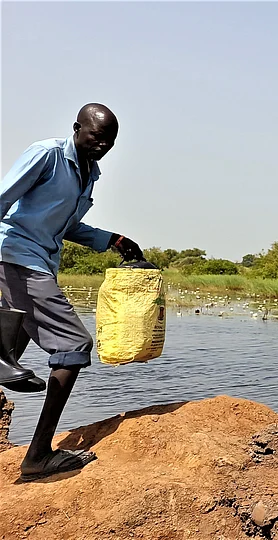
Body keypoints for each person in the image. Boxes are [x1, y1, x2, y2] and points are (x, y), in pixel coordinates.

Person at [0, 103, 144, 481]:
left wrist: (112, 240)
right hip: (17, 258)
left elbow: (64, 225)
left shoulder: (88, 173)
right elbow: (2, 201)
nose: (102, 145)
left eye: (110, 141)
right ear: (77, 128)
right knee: (74, 344)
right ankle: (38, 455)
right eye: (96, 136)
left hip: (37, 262)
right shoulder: (47, 155)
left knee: (9, 359)